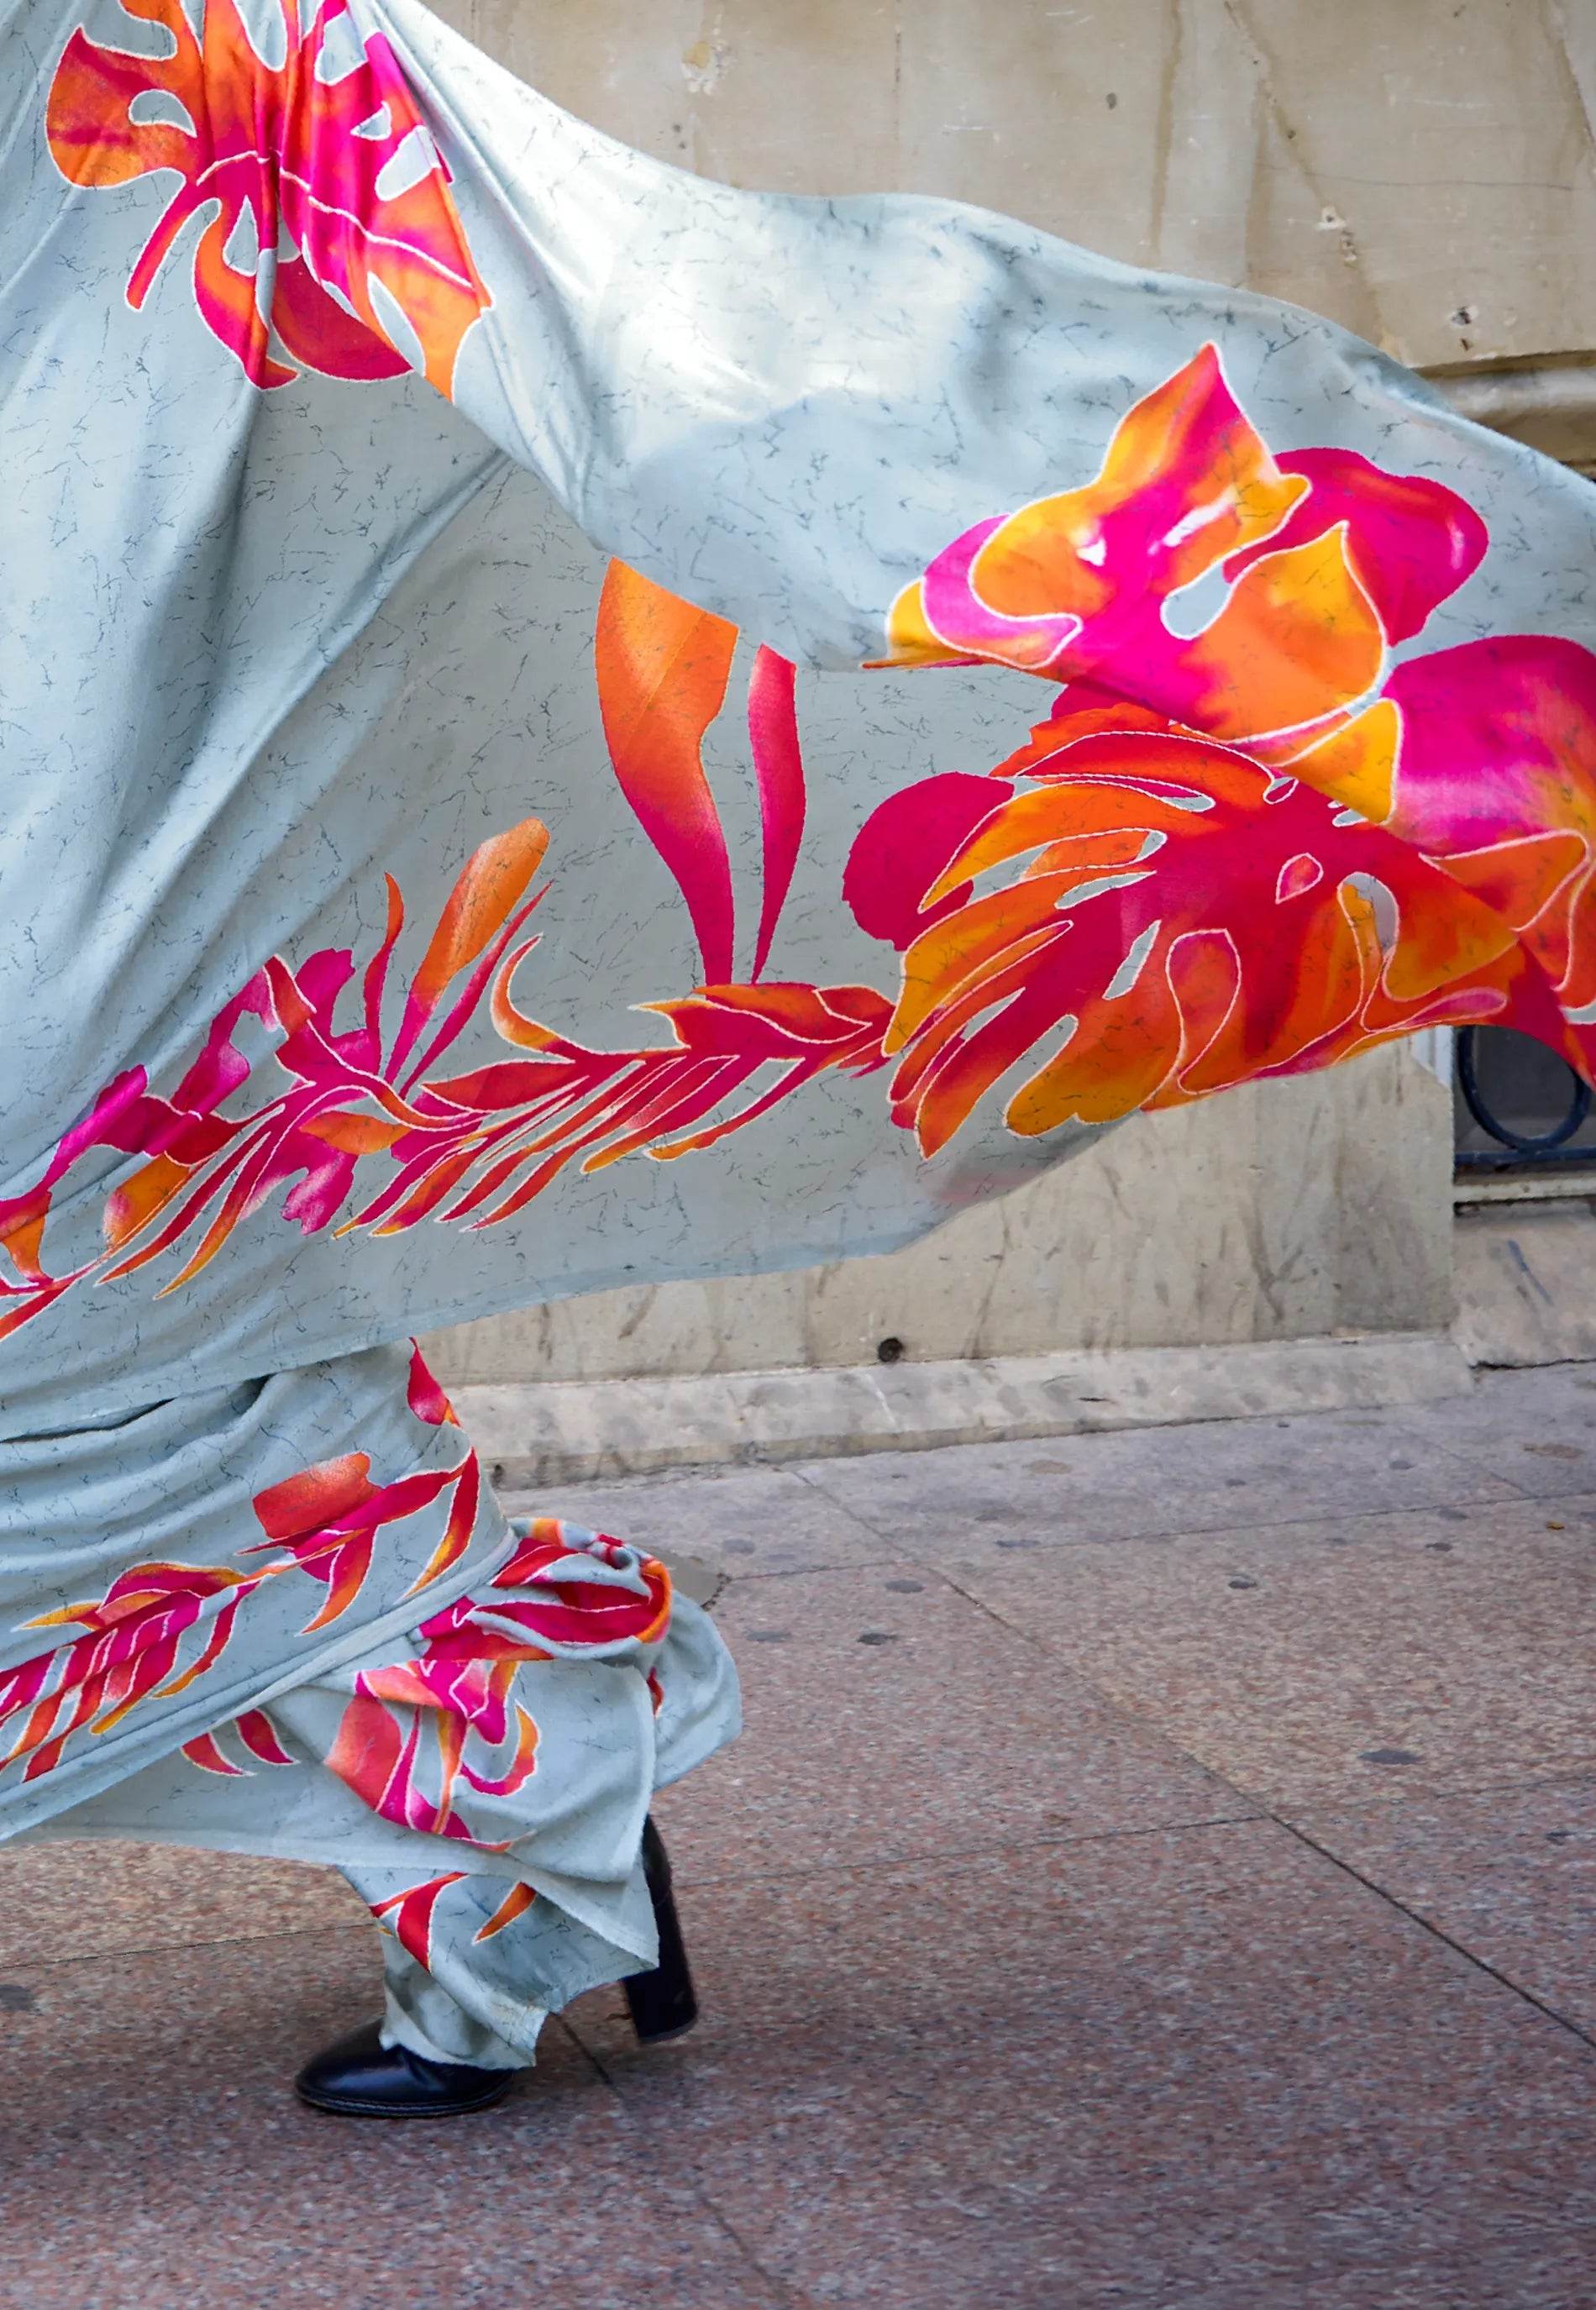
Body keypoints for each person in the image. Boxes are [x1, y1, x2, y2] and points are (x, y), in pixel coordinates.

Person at [4, 0, 1595, 2117]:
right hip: (100, 825)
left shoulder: (166, 50)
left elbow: (498, 267)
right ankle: (520, 1833)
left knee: (118, 1360)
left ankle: (525, 1818)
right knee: (193, 1382)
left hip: (104, 827)